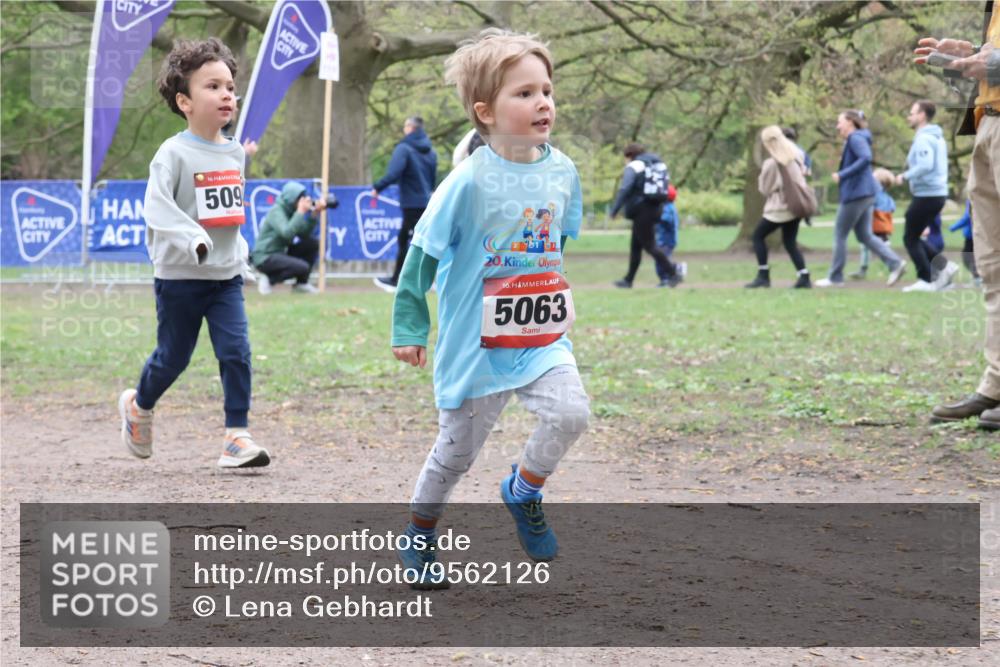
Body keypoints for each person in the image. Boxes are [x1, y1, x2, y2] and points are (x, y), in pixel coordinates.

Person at [390, 29, 590, 588]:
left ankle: (523, 490)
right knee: (454, 458)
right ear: (486, 111)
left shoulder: (563, 171)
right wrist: (410, 325)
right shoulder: (466, 181)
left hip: (540, 337)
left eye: (546, 90)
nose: (542, 102)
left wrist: (543, 294)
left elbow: (558, 243)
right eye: (524, 93)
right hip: (475, 345)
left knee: (572, 413)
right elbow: (421, 257)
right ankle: (420, 533)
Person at [118, 38, 269, 469]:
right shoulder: (172, 153)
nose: (226, 94)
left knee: (236, 351)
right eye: (213, 86)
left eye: (229, 86)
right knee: (173, 358)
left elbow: (229, 211)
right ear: (184, 101)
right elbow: (157, 206)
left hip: (224, 278)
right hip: (180, 277)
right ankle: (139, 405)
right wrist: (192, 238)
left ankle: (236, 437)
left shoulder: (236, 151)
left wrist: (239, 253)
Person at [920, 1, 1000, 429]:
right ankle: (996, 384)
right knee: (992, 266)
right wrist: (971, 54)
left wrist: (995, 61)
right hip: (988, 122)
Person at [894, 100, 957, 292]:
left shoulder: (923, 138)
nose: (909, 117)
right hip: (936, 193)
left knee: (910, 237)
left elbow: (925, 165)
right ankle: (945, 267)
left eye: (912, 113)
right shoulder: (937, 137)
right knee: (914, 235)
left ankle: (926, 279)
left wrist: (905, 176)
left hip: (928, 194)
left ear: (922, 115)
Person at [371, 116, 438, 292]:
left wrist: (377, 187)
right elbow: (432, 180)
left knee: (408, 240)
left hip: (411, 203)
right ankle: (420, 279)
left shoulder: (404, 148)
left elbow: (394, 173)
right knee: (416, 239)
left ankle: (397, 280)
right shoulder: (431, 152)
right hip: (426, 202)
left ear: (410, 128)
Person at [744, 126, 811, 289]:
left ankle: (763, 275)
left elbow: (764, 189)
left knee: (758, 236)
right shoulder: (797, 156)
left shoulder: (772, 163)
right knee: (789, 242)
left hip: (779, 208)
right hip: (795, 206)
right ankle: (803, 275)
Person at [610, 144, 681, 288]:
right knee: (636, 246)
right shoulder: (655, 163)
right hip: (655, 208)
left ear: (629, 156)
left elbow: (625, 188)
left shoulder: (635, 165)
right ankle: (628, 280)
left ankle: (673, 273)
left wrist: (615, 209)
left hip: (642, 210)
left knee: (650, 245)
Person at [251, 182, 327, 294]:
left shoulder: (292, 211)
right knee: (302, 267)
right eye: (300, 198)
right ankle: (269, 279)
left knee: (312, 244)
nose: (304, 200)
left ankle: (301, 284)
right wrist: (300, 212)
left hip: (281, 253)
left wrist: (314, 214)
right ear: (291, 198)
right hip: (265, 257)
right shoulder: (276, 211)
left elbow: (304, 234)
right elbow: (287, 233)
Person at [852, 168, 897, 279]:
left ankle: (893, 265)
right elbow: (892, 208)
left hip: (874, 225)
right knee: (882, 245)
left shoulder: (874, 194)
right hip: (885, 227)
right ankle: (893, 265)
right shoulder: (888, 198)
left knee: (867, 246)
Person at [949, 200, 980, 285]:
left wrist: (953, 227)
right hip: (974, 234)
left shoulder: (973, 197)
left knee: (967, 257)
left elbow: (967, 216)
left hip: (973, 235)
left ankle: (978, 277)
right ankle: (978, 277)